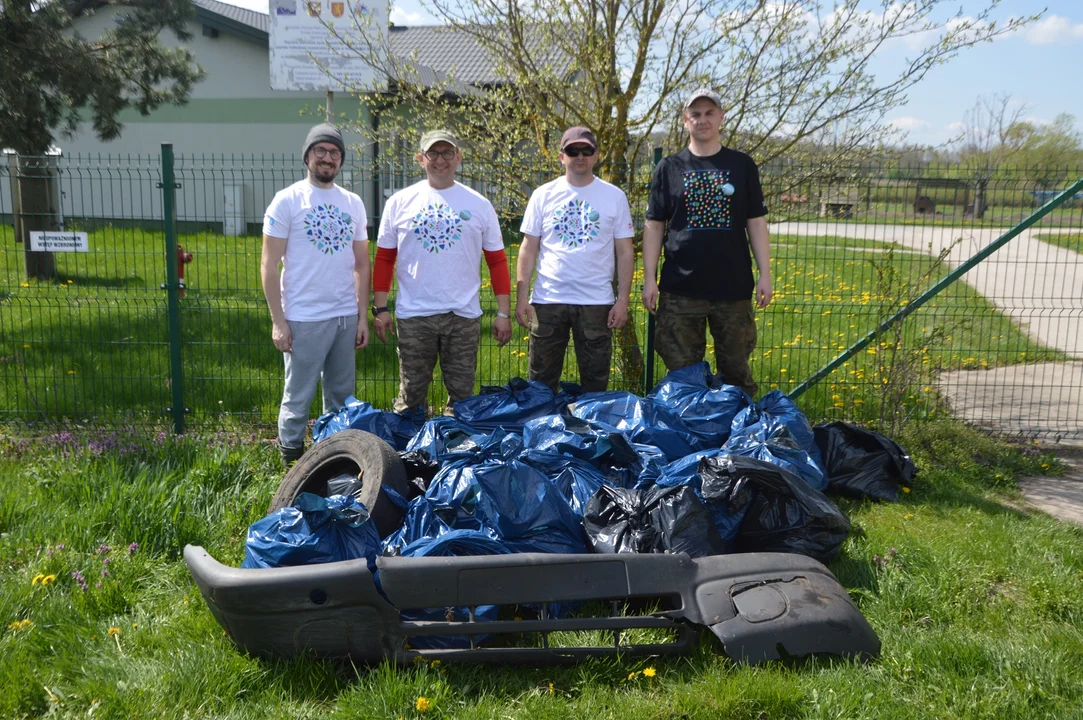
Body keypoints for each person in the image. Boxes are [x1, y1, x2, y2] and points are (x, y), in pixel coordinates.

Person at [641, 87, 772, 397]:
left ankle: (738, 439)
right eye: (695, 114)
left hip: (733, 289)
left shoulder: (742, 166)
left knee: (737, 374)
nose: (702, 119)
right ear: (685, 120)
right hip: (680, 289)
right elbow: (654, 225)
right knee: (683, 378)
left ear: (721, 118)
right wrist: (649, 279)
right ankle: (686, 438)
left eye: (709, 113)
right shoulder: (669, 168)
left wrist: (765, 273)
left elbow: (755, 221)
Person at [372, 129, 512, 414]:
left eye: (447, 153)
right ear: (420, 159)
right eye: (433, 153)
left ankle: (454, 452)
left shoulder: (479, 205)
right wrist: (380, 308)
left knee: (462, 398)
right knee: (410, 398)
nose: (440, 160)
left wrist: (503, 313)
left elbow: (497, 261)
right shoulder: (399, 202)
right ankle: (407, 453)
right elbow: (385, 258)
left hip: (462, 316)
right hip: (414, 316)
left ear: (458, 157)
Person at [261, 123, 370, 466]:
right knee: (298, 397)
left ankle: (332, 460)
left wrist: (362, 316)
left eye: (334, 152)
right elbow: (268, 265)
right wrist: (279, 322)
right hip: (303, 317)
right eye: (320, 151)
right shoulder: (288, 200)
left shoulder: (352, 203)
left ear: (341, 160)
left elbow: (362, 265)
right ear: (307, 156)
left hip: (344, 317)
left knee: (341, 397)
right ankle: (290, 463)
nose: (327, 158)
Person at [515, 126, 635, 393]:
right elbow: (528, 248)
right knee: (540, 384)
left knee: (595, 384)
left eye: (586, 150)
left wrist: (623, 300)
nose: (580, 156)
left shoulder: (615, 197)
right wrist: (522, 297)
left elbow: (625, 251)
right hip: (548, 301)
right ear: (561, 156)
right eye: (572, 150)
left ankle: (593, 433)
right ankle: (540, 431)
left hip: (596, 303)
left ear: (596, 155)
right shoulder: (542, 195)